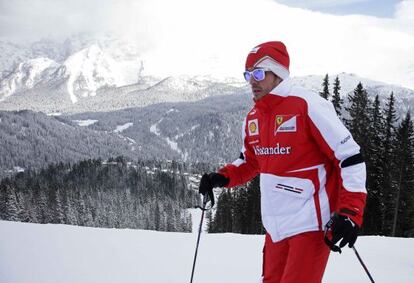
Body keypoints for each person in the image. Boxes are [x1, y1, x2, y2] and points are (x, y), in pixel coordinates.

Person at [198, 41, 367, 283]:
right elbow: (250, 161)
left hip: (310, 225)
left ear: (278, 74)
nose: (252, 81)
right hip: (276, 227)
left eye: (258, 73)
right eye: (248, 74)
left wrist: (350, 212)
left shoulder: (307, 105)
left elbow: (350, 157)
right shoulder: (254, 117)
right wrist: (221, 177)